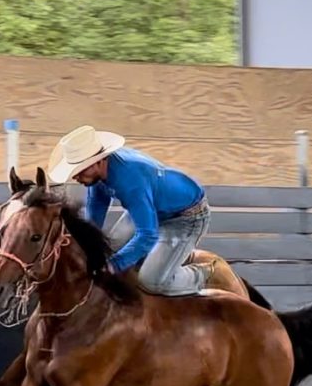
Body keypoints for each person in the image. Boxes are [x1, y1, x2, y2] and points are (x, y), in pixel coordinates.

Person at [47, 125, 214, 296]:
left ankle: (203, 275)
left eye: (81, 170)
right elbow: (94, 217)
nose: (76, 177)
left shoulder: (130, 180)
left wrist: (113, 266)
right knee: (108, 248)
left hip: (185, 218)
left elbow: (147, 235)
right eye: (74, 171)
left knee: (151, 281)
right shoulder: (97, 176)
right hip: (151, 207)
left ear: (99, 160)